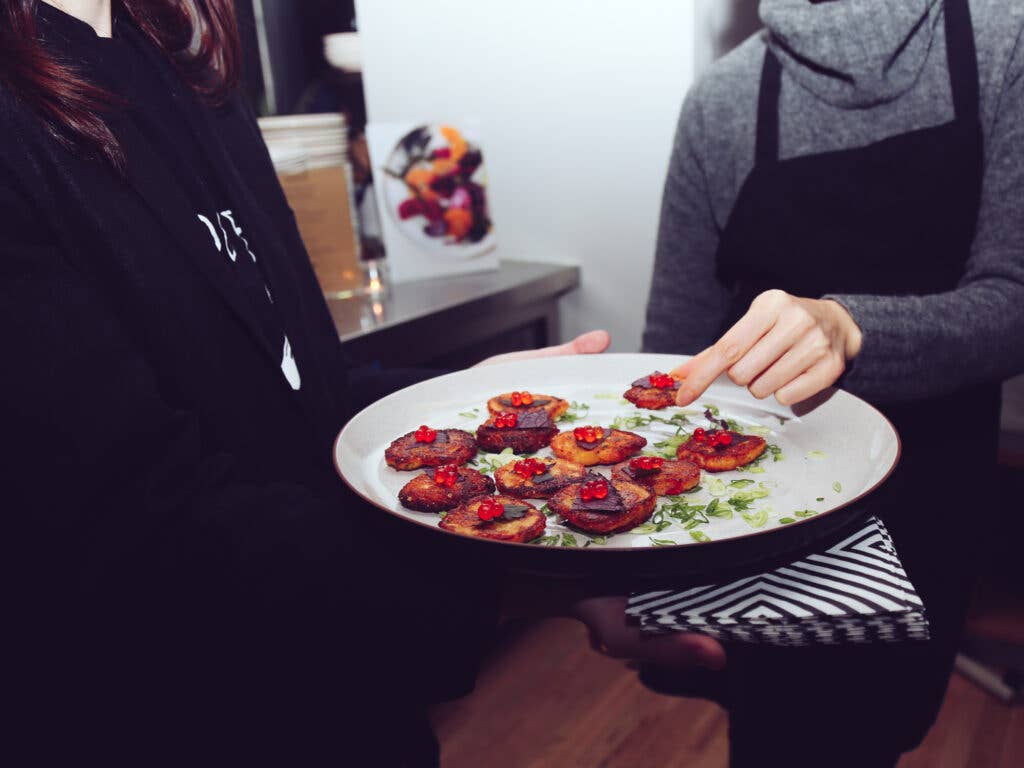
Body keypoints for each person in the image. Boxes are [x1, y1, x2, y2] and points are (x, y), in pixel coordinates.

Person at [0, 2, 610, 764]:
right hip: (163, 720)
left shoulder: (184, 67)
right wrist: (526, 581)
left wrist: (459, 401)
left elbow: (291, 398)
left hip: (344, 698)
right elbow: (136, 530)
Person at [599, 0, 1024, 765]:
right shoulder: (721, 101)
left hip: (931, 506)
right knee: (775, 736)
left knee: (878, 729)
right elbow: (674, 360)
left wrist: (849, 327)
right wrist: (632, 567)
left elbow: (1014, 298)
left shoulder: (1006, 39)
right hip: (757, 523)